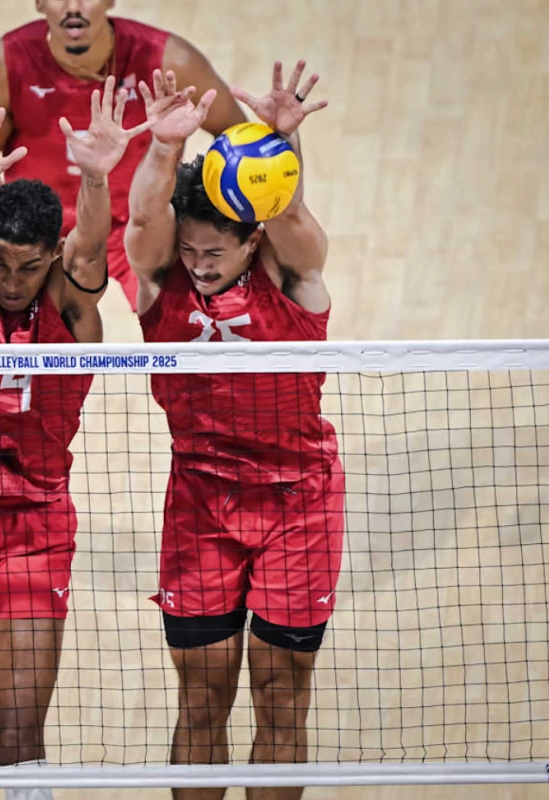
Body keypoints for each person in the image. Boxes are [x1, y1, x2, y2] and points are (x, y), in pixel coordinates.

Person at [0, 78, 154, 800]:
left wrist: (96, 180)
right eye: (0, 262)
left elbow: (91, 250)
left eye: (29, 265)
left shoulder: (71, 305)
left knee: (22, 738)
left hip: (34, 526)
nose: (12, 280)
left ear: (51, 257)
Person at [124, 62, 342, 800]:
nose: (198, 265)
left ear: (252, 243)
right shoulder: (164, 285)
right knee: (202, 696)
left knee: (280, 695)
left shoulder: (293, 280)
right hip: (201, 499)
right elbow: (142, 228)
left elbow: (294, 220)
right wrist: (164, 147)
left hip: (298, 500)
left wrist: (280, 142)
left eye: (214, 253)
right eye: (190, 251)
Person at [0, 0, 246, 311]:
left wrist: (206, 215)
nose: (74, 6)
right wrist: (20, 231)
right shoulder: (2, 65)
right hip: (46, 232)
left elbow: (239, 142)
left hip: (141, 225)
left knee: (198, 319)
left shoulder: (171, 60)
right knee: (9, 325)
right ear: (39, 3)